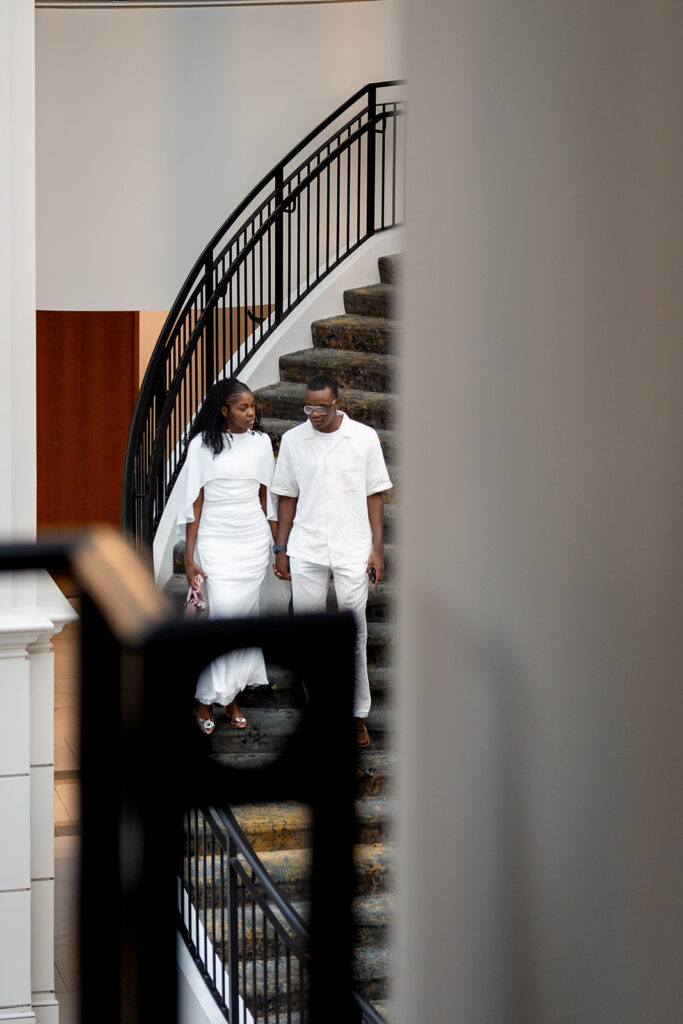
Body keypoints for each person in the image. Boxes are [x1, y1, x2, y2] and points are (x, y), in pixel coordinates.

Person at [271, 374, 392, 747]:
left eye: (320, 407)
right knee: (309, 633)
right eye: (308, 407)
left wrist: (377, 549)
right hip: (306, 545)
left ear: (337, 403)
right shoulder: (293, 440)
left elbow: (375, 495)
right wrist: (281, 547)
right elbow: (286, 497)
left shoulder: (364, 437)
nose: (313, 414)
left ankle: (356, 715)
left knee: (353, 631)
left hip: (353, 544)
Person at [177, 377, 277, 734]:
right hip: (216, 539)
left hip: (252, 539)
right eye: (243, 407)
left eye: (253, 407)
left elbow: (268, 499)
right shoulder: (201, 445)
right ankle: (207, 698)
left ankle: (230, 696)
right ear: (224, 410)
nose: (252, 413)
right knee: (224, 617)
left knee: (244, 619)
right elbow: (195, 502)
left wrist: (277, 546)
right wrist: (189, 557)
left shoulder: (263, 443)